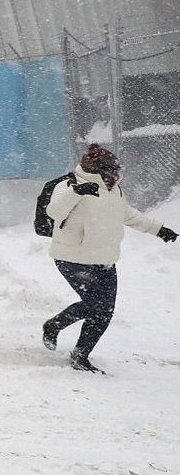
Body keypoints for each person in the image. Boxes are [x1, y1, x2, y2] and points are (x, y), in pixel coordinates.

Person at [42, 143, 177, 373]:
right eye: (110, 170)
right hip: (72, 257)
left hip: (104, 259)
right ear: (97, 169)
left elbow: (129, 215)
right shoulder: (69, 185)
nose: (114, 175)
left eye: (115, 170)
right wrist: (76, 192)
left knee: (105, 311)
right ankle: (54, 325)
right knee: (96, 304)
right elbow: (53, 212)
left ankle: (80, 355)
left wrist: (158, 229)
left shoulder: (114, 191)